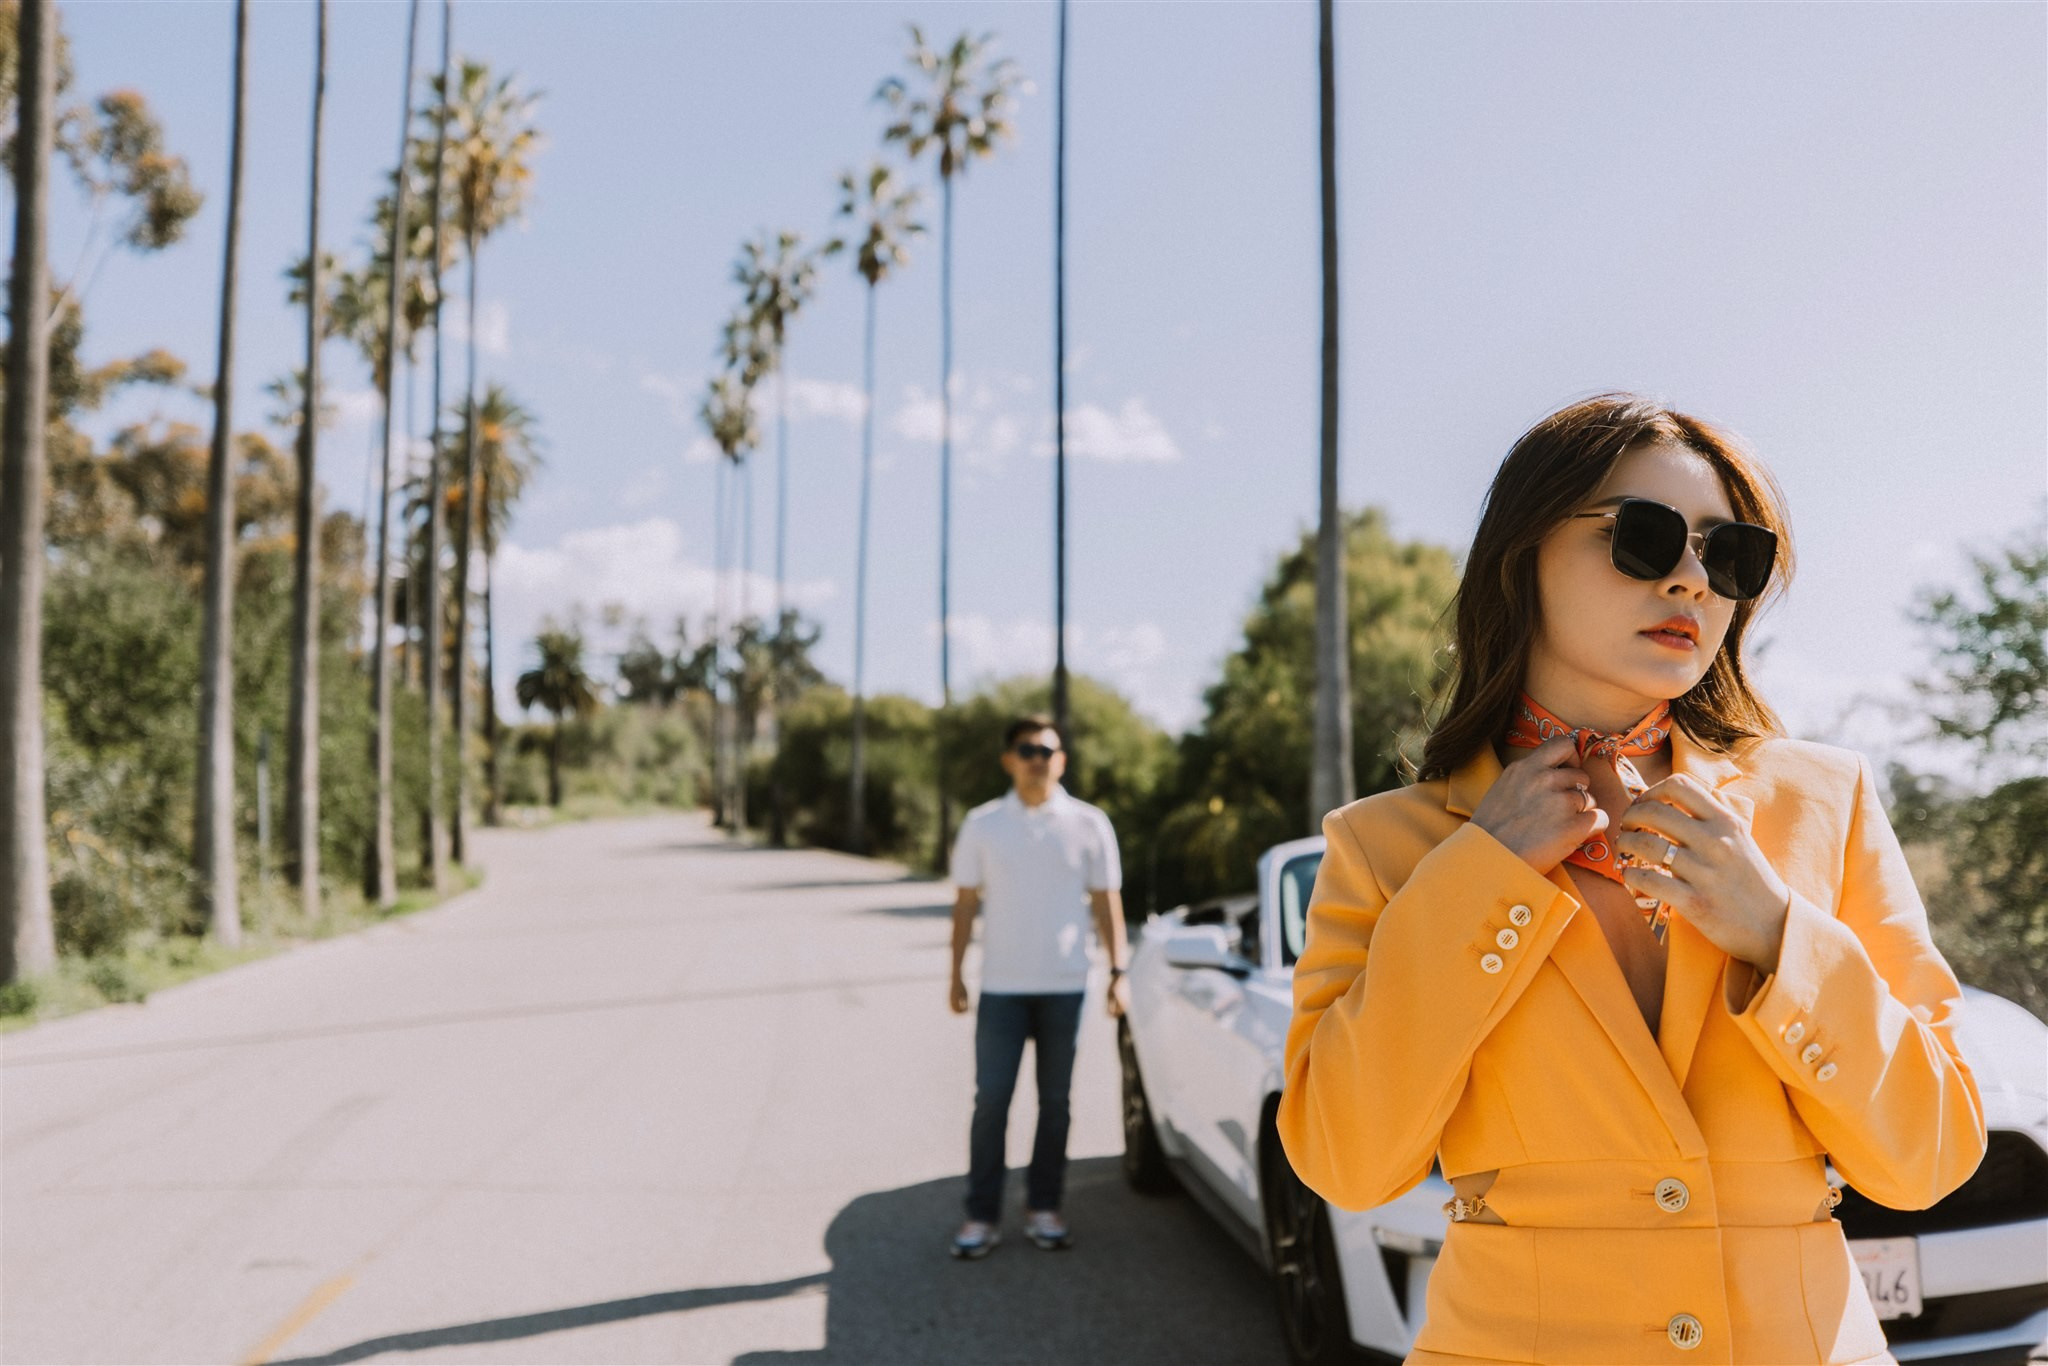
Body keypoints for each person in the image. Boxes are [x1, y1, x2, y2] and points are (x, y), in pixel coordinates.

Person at [1278, 393, 1985, 1365]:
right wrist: (1478, 878)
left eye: (1728, 554)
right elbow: (1344, 1160)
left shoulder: (1825, 801)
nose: (1691, 579)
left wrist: (1779, 936)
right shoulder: (1385, 847)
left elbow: (1930, 1156)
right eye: (1642, 537)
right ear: (1521, 553)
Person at [946, 714, 1130, 1259]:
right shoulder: (983, 824)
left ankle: (1044, 1207)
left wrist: (1118, 973)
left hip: (1066, 986)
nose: (1036, 760)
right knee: (991, 1101)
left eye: (1046, 751)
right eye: (1026, 751)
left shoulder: (1089, 824)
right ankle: (981, 1215)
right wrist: (955, 974)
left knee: (1055, 1103)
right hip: (1001, 987)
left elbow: (1107, 902)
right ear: (1009, 760)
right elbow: (965, 904)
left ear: (1061, 761)